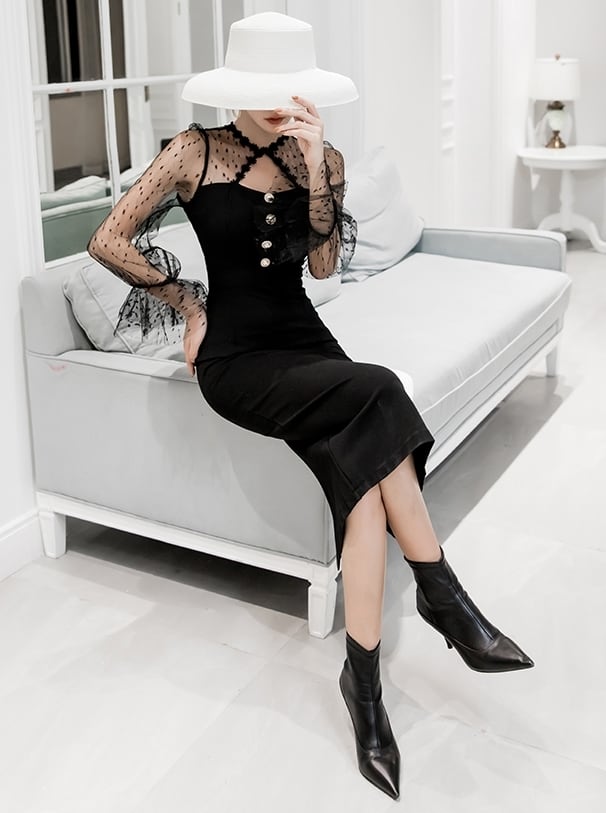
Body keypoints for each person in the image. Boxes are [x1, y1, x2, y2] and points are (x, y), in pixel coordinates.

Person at [87, 11, 534, 801]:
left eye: (288, 86)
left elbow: (324, 267)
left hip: (307, 341)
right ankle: (445, 596)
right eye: (262, 87)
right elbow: (109, 238)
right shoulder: (194, 150)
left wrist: (321, 165)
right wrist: (190, 303)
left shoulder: (317, 156)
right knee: (382, 386)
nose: (276, 100)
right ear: (236, 87)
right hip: (237, 358)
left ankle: (364, 692)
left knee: (365, 496)